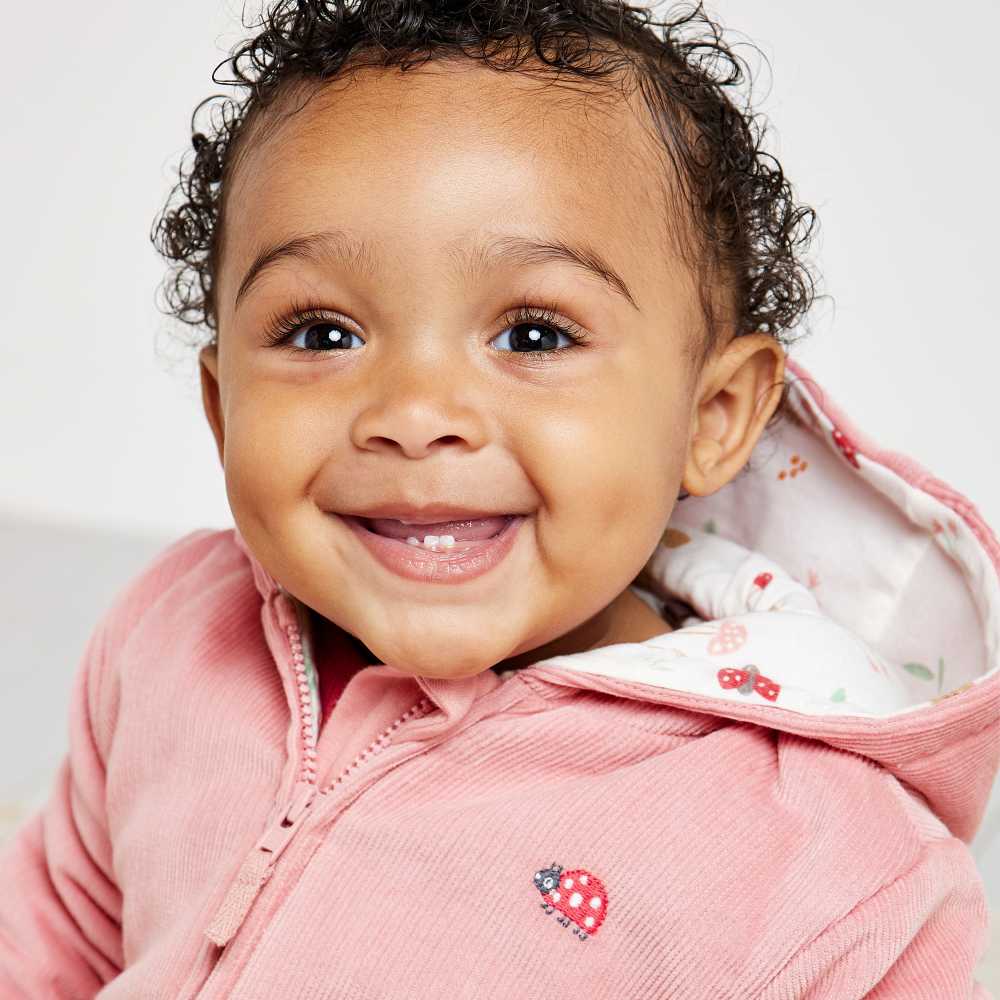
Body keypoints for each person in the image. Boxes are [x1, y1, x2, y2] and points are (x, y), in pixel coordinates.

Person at [1, 1, 997, 996]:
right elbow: (54, 943)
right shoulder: (173, 638)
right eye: (320, 333)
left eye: (533, 335)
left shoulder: (826, 868)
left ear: (711, 415)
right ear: (223, 410)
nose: (416, 413)